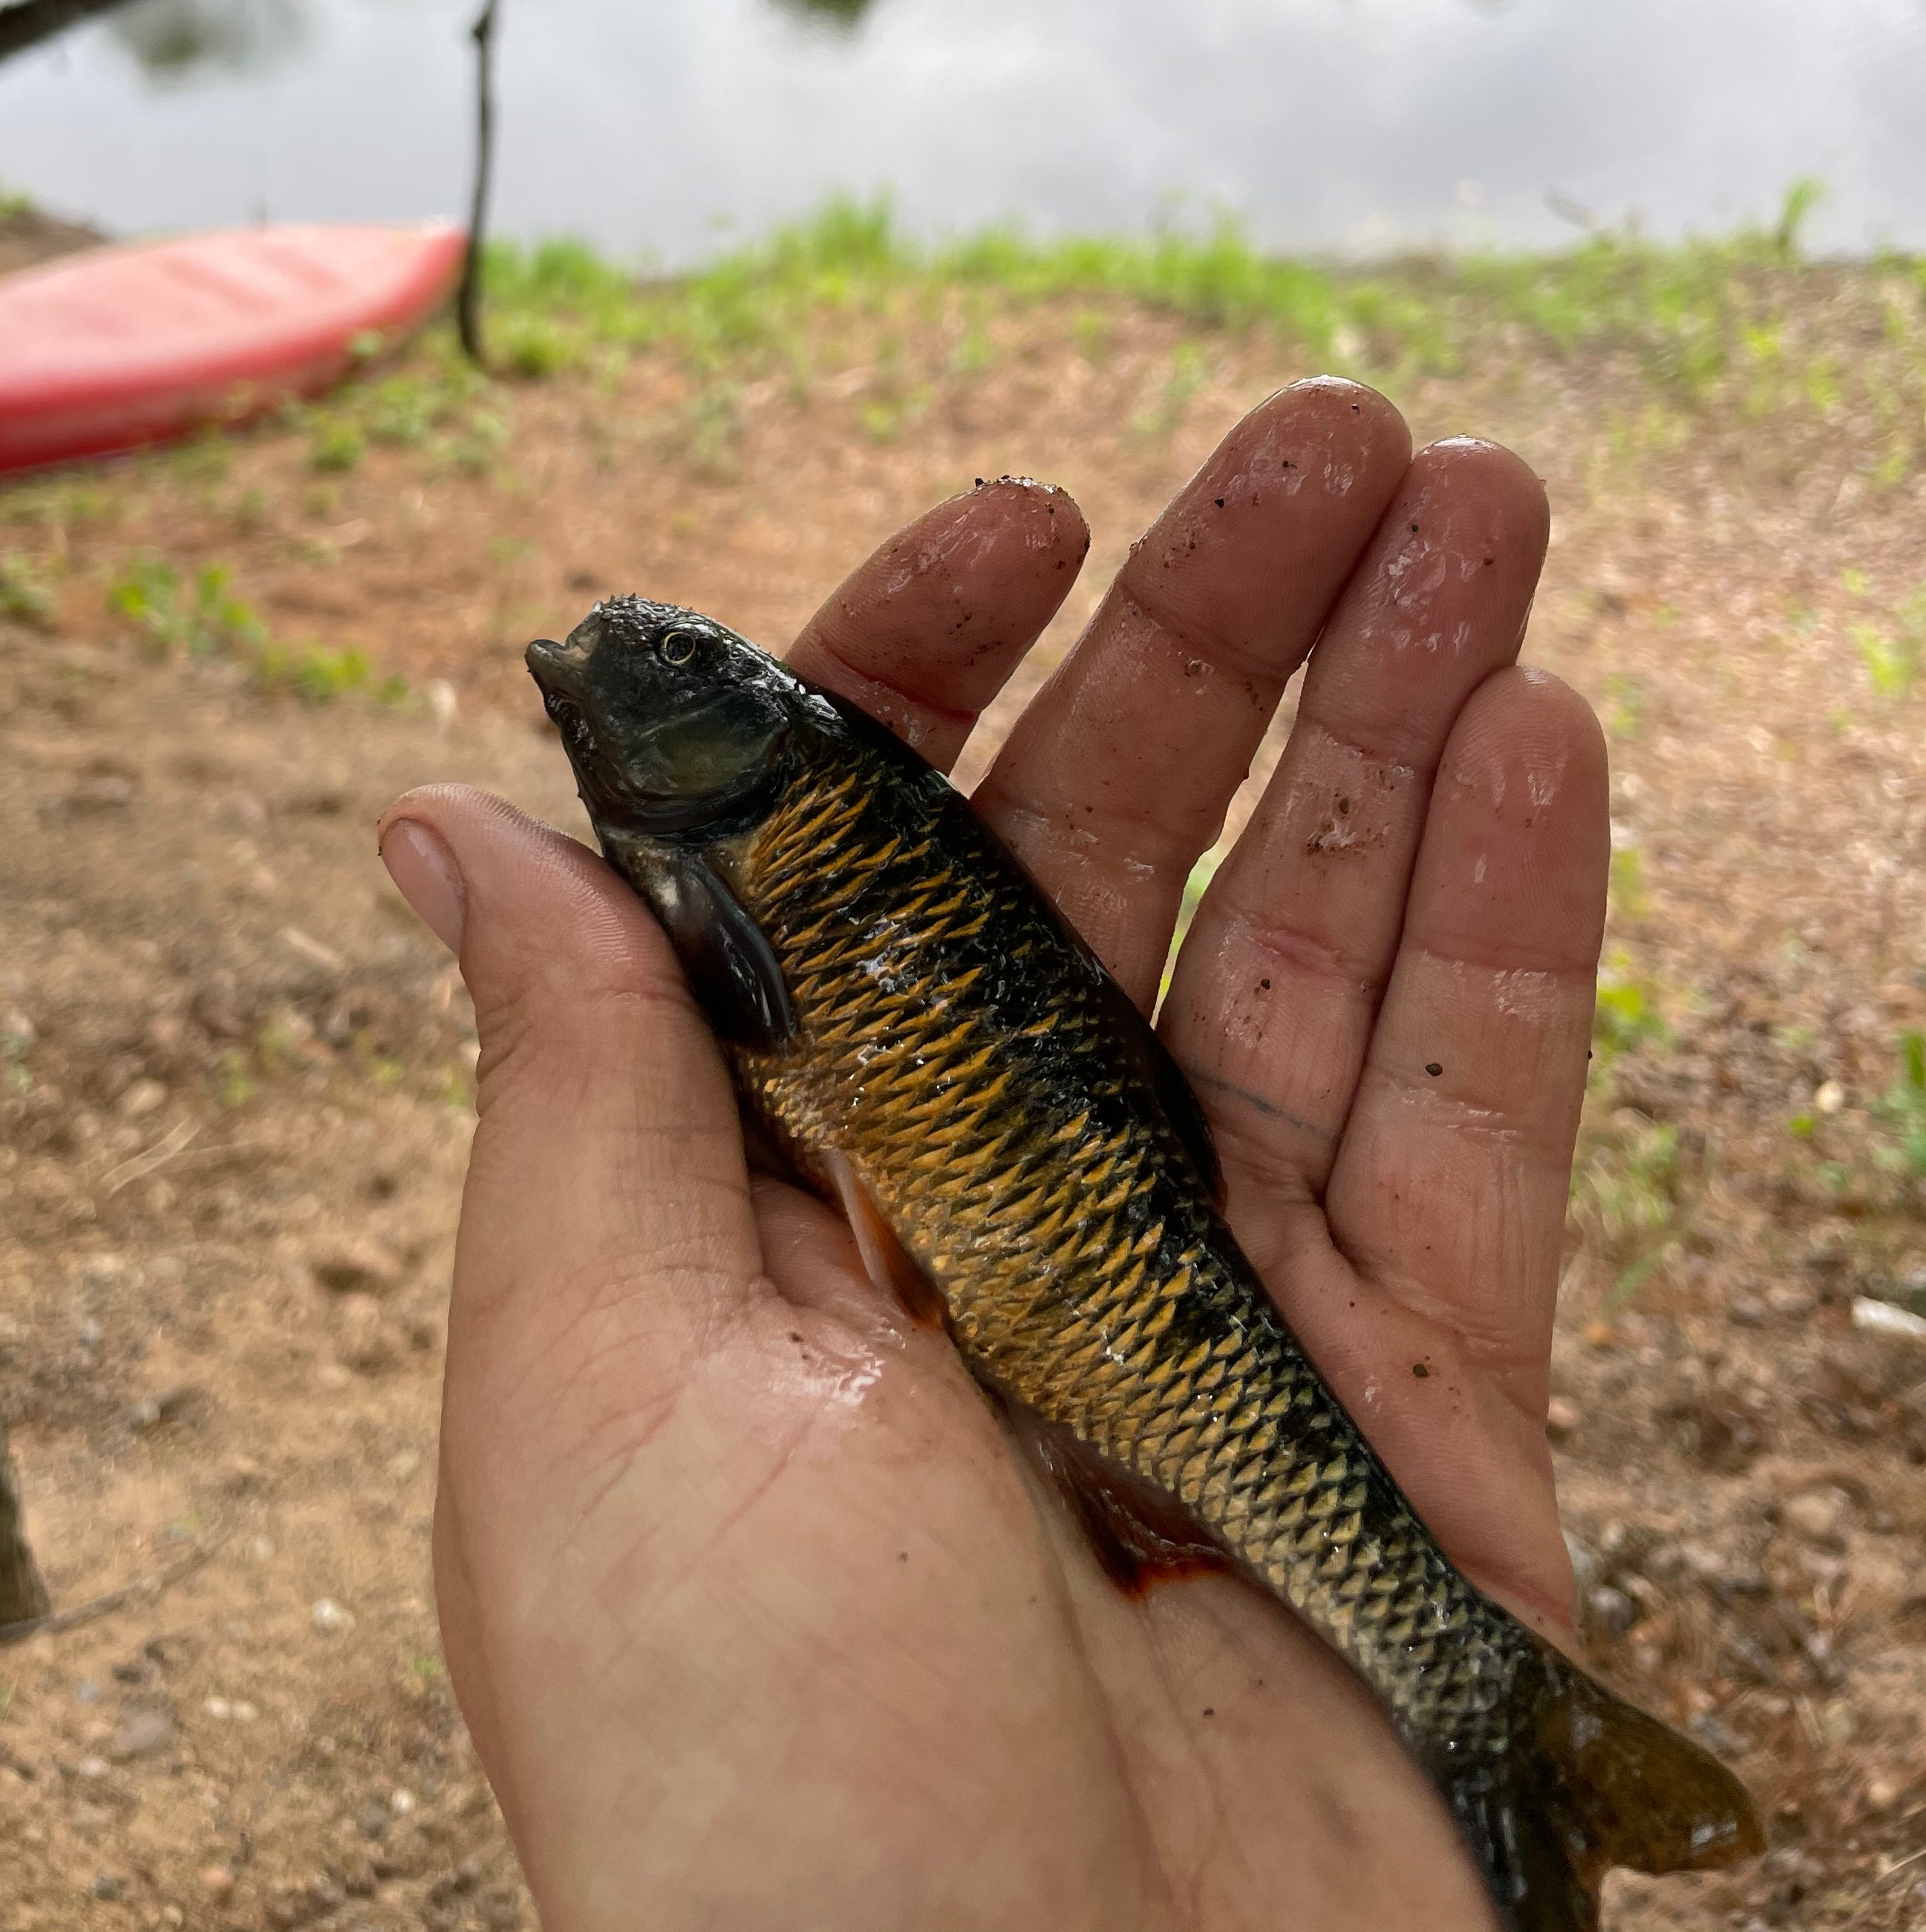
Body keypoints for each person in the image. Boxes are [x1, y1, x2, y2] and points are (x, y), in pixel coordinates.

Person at [379, 379, 1607, 1931]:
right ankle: (1465, 1689)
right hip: (1047, 1254)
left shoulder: (745, 845)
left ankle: (1465, 1683)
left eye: (683, 667)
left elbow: (756, 1001)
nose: (629, 664)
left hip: (1073, 1262)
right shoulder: (739, 841)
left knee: (1228, 1427)